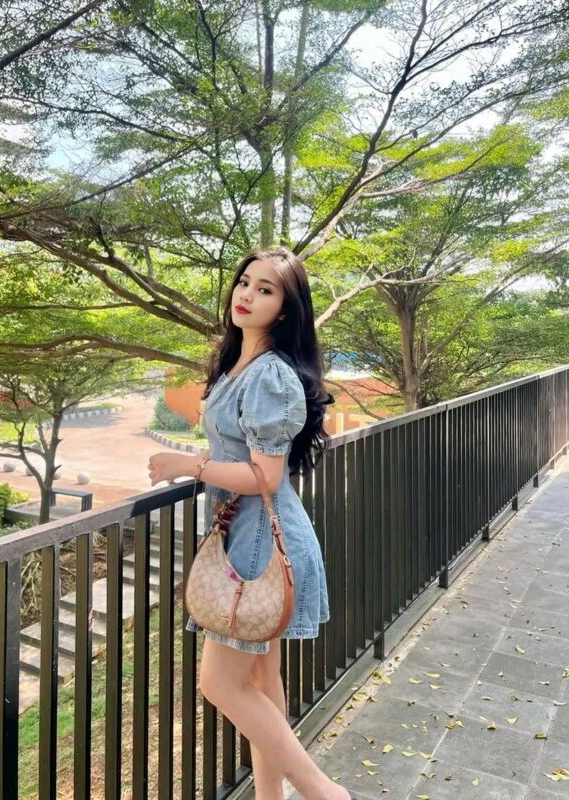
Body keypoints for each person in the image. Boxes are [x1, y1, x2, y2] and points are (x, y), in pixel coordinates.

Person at [147, 246, 353, 800]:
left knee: (219, 683)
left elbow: (265, 474)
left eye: (266, 289)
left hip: (260, 542)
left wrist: (186, 466)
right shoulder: (239, 362)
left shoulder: (269, 375)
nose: (247, 295)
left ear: (285, 309)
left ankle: (324, 793)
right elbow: (240, 450)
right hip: (252, 533)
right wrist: (206, 459)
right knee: (262, 680)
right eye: (244, 282)